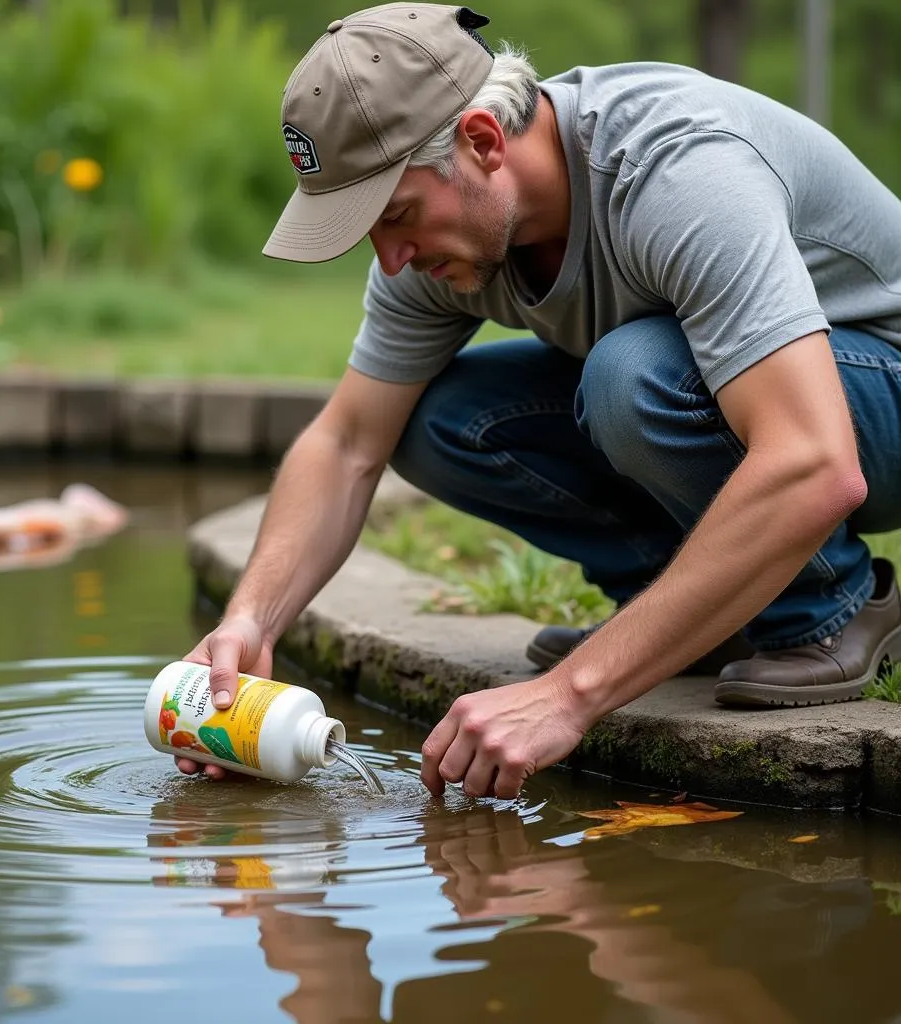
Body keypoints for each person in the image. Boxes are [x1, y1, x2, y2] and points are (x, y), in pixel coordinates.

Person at [179, 3, 901, 798]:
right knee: (434, 421)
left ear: (483, 141)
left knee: (632, 378)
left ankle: (833, 610)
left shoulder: (677, 171)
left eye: (395, 215)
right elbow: (348, 443)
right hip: (754, 409)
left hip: (875, 389)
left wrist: (569, 696)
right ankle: (695, 619)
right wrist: (251, 619)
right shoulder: (440, 242)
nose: (390, 260)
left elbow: (813, 461)